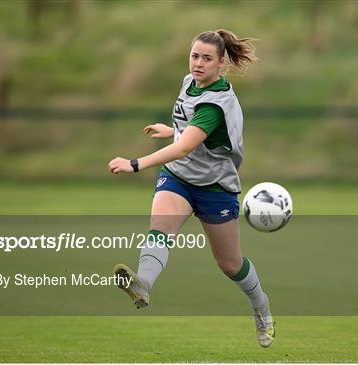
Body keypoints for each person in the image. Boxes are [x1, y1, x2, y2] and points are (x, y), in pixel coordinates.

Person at [108, 29, 275, 348]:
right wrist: (172, 130)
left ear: (220, 63)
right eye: (194, 56)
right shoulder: (190, 82)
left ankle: (260, 306)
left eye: (206, 58)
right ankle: (143, 284)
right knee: (160, 229)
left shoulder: (216, 104)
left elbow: (186, 145)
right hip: (180, 178)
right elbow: (189, 135)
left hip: (216, 188)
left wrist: (136, 163)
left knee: (230, 264)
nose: (198, 63)